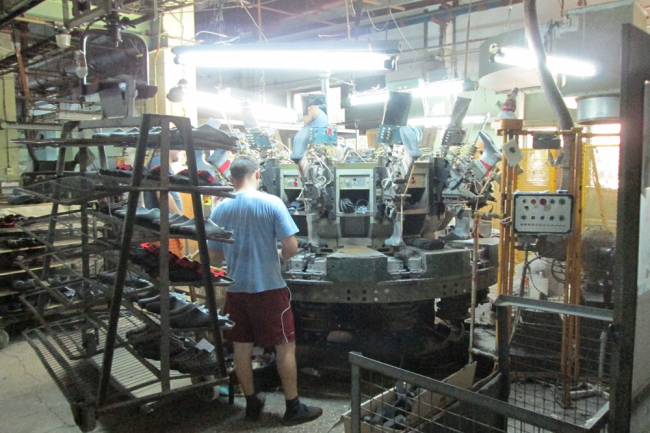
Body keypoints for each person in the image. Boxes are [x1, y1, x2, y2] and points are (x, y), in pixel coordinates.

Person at [207, 155, 322, 425]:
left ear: (232, 178)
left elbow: (214, 256)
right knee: (285, 347)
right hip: (269, 289)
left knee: (241, 348)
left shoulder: (219, 209)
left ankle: (251, 404)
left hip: (236, 290)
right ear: (257, 174)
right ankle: (293, 408)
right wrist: (278, 257)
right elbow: (291, 247)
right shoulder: (271, 203)